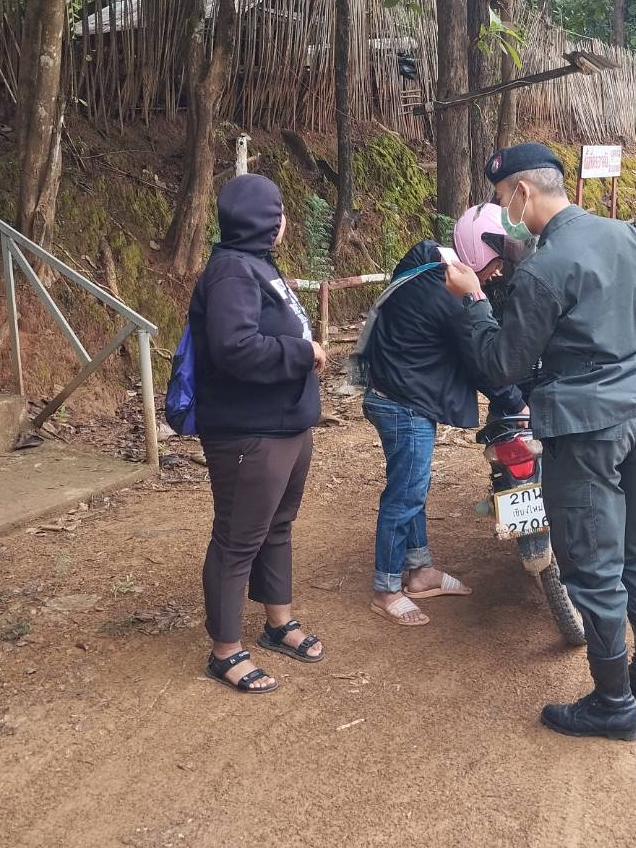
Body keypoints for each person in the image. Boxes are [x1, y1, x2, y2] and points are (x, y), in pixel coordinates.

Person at [442, 142, 636, 742]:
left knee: (593, 566)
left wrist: (473, 300)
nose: (506, 212)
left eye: (503, 199)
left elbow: (503, 364)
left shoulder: (542, 270)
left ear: (522, 192)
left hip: (583, 432)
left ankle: (614, 703)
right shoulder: (629, 237)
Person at [189, 173, 328, 693]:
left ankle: (278, 622)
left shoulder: (259, 265)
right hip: (249, 432)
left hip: (286, 424)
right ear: (265, 219)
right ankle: (225, 650)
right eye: (280, 210)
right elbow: (235, 347)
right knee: (237, 537)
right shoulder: (230, 272)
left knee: (278, 526)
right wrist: (303, 352)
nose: (284, 219)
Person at [362, 204, 529, 628]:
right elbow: (484, 363)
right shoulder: (449, 293)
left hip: (397, 392)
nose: (498, 272)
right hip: (403, 402)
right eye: (495, 261)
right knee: (404, 495)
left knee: (413, 487)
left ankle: (419, 571)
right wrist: (518, 405)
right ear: (477, 251)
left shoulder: (432, 264)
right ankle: (386, 589)